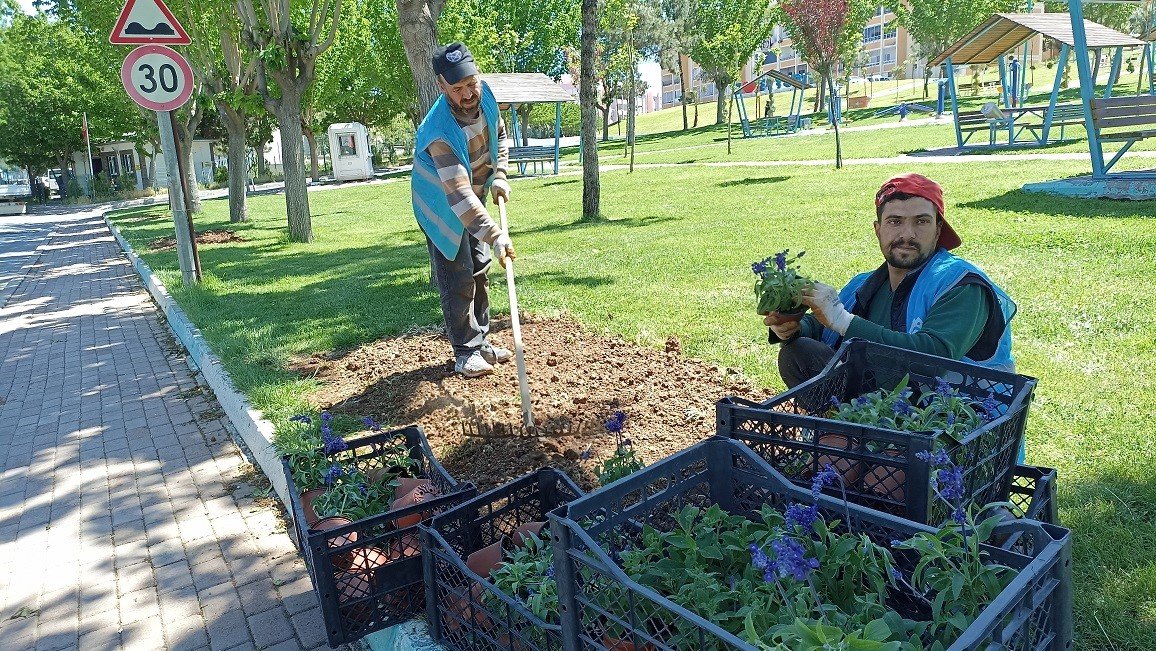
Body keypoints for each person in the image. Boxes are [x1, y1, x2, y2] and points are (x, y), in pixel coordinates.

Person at [764, 172, 1016, 389]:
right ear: (878, 229)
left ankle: (853, 439)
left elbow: (933, 359)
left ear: (938, 230)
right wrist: (795, 327)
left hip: (952, 426)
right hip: (884, 411)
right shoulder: (864, 285)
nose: (908, 234)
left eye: (922, 221)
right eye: (895, 222)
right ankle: (843, 434)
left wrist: (840, 318)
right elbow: (828, 329)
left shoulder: (960, 284)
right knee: (798, 353)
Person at [411, 42, 516, 378]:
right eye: (457, 89)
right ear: (442, 88)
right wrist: (497, 235)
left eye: (471, 83)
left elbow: (500, 134)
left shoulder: (486, 97)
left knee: (480, 268)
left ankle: (481, 342)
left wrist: (499, 174)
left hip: (473, 195)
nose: (468, 93)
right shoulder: (438, 130)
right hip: (443, 206)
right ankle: (465, 351)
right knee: (457, 275)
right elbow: (457, 195)